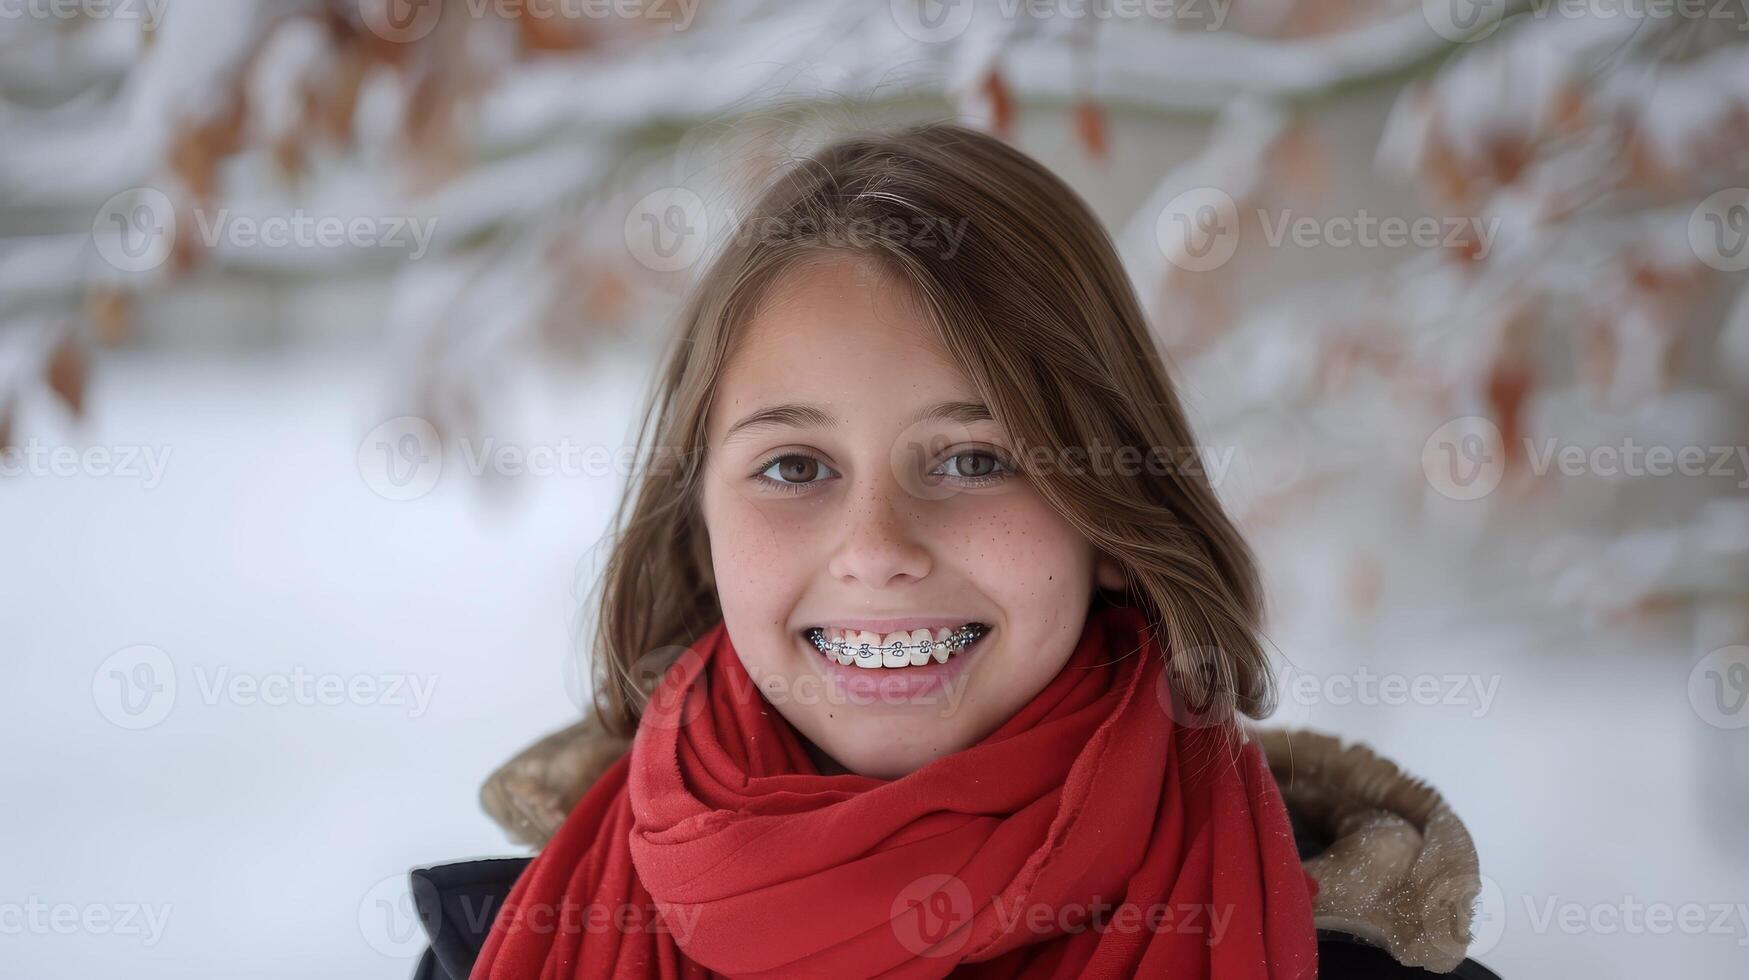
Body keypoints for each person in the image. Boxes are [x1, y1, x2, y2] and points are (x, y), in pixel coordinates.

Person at [409, 122, 1503, 979]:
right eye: (795, 466)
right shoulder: (496, 948)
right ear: (698, 522)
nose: (877, 548)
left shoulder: (1348, 955)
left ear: (1114, 504)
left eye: (975, 460)